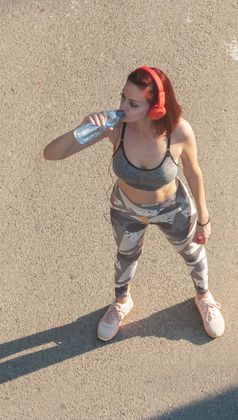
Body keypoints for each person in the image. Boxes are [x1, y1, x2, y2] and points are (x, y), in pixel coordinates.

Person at [43, 66, 224, 340]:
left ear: (156, 109)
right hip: (127, 209)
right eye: (122, 98)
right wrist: (81, 129)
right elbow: (51, 154)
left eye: (133, 103)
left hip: (172, 208)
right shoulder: (115, 128)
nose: (122, 107)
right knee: (126, 257)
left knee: (192, 253)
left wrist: (204, 219)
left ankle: (204, 298)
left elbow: (193, 172)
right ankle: (121, 303)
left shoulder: (179, 132)